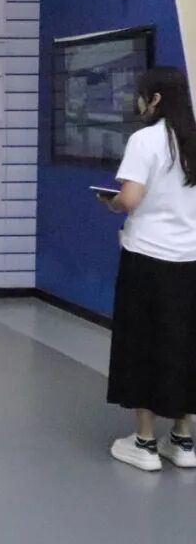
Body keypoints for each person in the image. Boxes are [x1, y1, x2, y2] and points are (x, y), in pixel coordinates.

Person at [99, 67, 196, 472]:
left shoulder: (145, 140)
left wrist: (111, 202)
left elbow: (130, 198)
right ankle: (183, 439)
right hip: (190, 259)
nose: (137, 103)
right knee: (184, 343)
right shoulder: (192, 138)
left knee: (143, 344)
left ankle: (144, 442)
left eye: (141, 95)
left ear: (155, 99)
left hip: (147, 258)